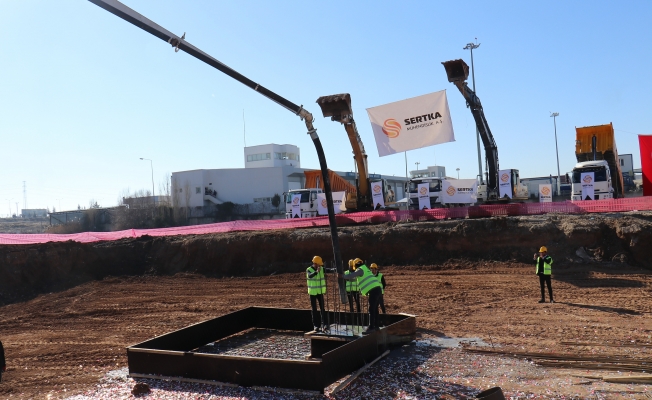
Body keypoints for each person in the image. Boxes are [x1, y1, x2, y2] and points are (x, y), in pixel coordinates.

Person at [340, 258, 383, 334]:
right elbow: (354, 278)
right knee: (375, 309)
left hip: (374, 290)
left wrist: (342, 276)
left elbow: (352, 275)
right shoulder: (365, 268)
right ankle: (376, 326)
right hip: (378, 289)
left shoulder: (360, 269)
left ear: (355, 265)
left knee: (371, 309)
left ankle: (371, 327)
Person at [306, 256, 334, 332]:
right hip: (312, 292)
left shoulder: (321, 269)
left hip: (320, 292)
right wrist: (316, 272)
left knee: (322, 309)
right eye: (319, 264)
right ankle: (316, 325)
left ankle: (325, 324)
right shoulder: (309, 269)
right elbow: (310, 275)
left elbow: (328, 270)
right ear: (315, 263)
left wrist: (334, 269)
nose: (320, 266)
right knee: (314, 309)